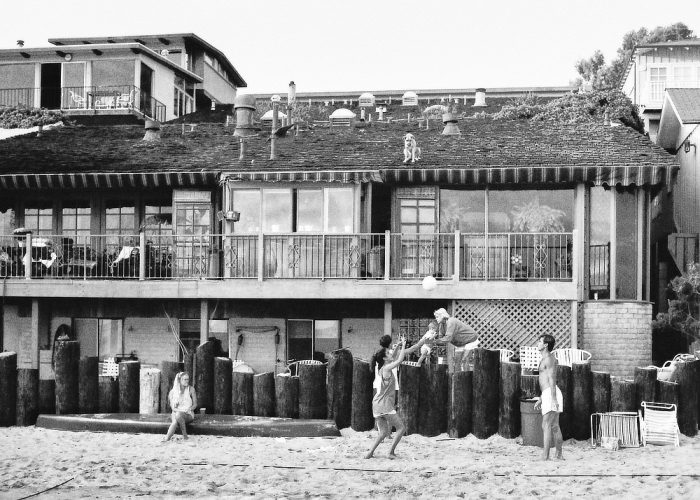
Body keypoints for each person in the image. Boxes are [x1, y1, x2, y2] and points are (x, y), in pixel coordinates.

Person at [365, 338, 406, 459]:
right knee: (401, 428)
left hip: (376, 404)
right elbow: (399, 359)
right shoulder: (387, 368)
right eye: (388, 353)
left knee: (382, 433)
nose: (390, 353)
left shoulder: (383, 368)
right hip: (384, 404)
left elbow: (392, 357)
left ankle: (370, 453)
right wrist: (403, 345)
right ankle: (390, 452)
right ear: (384, 358)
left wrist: (398, 346)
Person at [533, 334, 564, 460]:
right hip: (548, 393)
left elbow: (552, 379)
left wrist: (553, 398)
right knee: (554, 426)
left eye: (539, 341)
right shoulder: (545, 358)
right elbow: (544, 380)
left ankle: (545, 456)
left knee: (546, 426)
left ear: (545, 345)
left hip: (552, 393)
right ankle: (559, 454)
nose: (537, 343)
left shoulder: (549, 359)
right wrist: (541, 398)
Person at [164, 372, 197, 441]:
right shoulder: (172, 392)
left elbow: (195, 404)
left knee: (178, 416)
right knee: (175, 420)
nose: (187, 381)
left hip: (188, 413)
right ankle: (168, 438)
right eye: (185, 379)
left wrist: (190, 409)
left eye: (187, 379)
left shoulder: (191, 389)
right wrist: (179, 411)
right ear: (179, 380)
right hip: (176, 412)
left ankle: (183, 436)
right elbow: (173, 408)